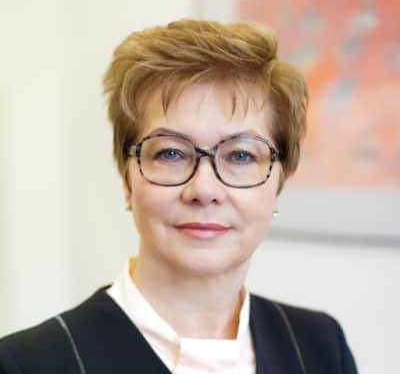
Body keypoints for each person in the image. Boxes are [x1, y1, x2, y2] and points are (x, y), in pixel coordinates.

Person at [0, 19, 358, 373]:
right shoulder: (27, 364)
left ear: (280, 181)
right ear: (126, 178)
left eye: (240, 155)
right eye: (170, 153)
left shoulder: (320, 346)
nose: (204, 190)